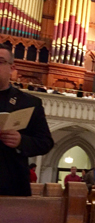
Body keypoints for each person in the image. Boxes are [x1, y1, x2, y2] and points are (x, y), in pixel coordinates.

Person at [0, 44, 54, 196]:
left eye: (0, 61)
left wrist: (21, 141)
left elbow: (45, 142)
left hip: (11, 184)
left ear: (12, 68)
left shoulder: (29, 103)